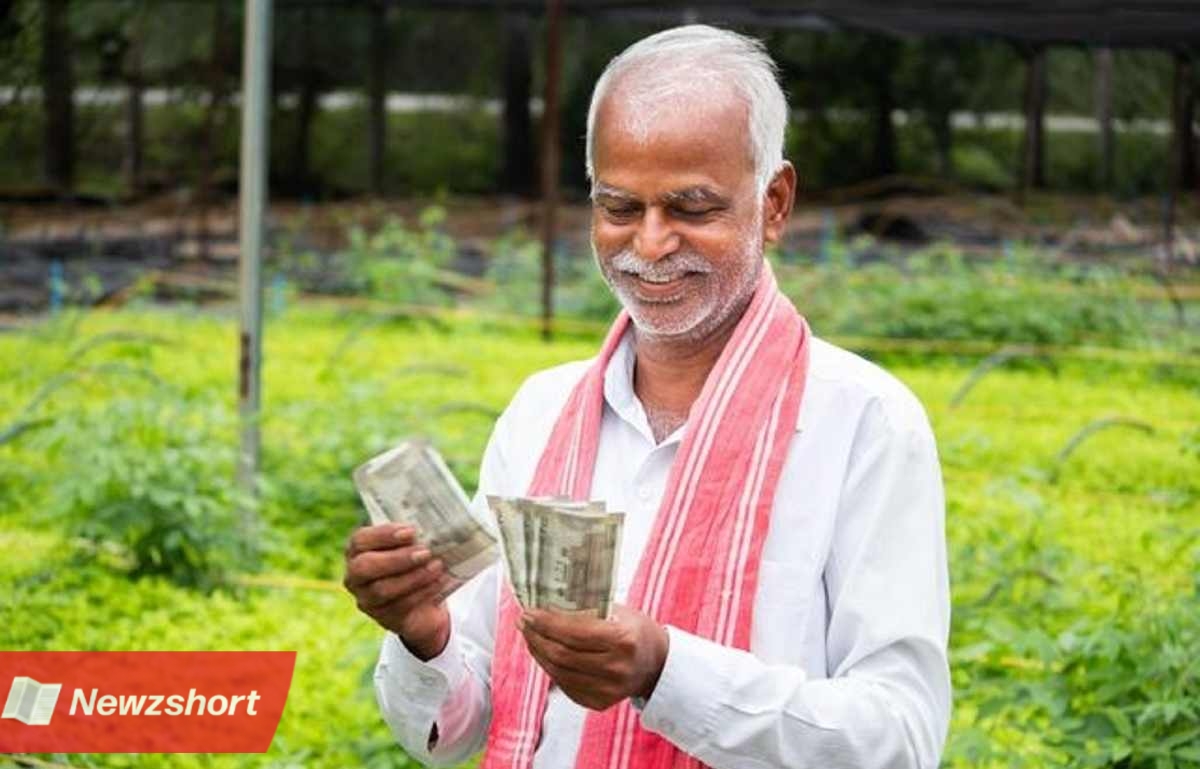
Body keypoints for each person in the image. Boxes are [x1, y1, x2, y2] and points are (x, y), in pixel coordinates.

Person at [343, 24, 950, 769]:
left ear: (775, 202)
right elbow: (458, 730)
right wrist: (423, 634)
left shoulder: (862, 422)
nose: (652, 243)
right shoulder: (543, 411)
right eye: (620, 207)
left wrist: (666, 671)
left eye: (692, 208)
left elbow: (900, 735)